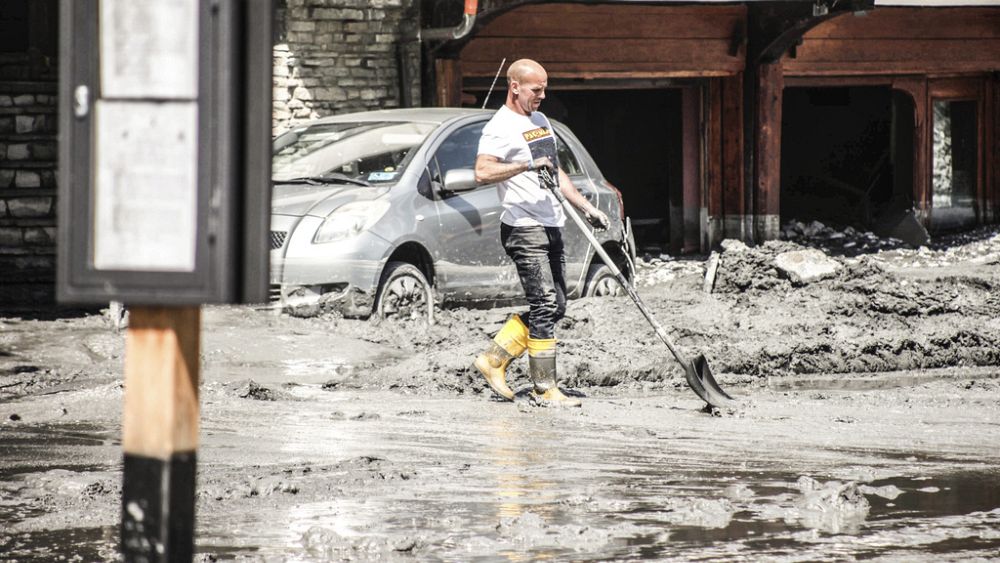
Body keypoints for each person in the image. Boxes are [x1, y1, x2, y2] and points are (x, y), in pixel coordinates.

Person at [472, 59, 609, 407]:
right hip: (522, 226)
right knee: (544, 303)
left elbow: (554, 170)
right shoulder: (499, 127)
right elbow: (482, 172)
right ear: (515, 86)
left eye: (545, 88)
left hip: (551, 222)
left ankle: (493, 359)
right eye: (537, 89)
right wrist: (524, 165)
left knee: (557, 304)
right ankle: (545, 388)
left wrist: (586, 207)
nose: (543, 96)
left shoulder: (540, 122)